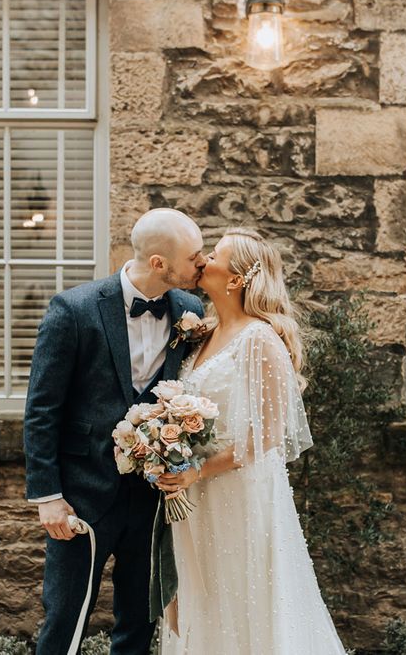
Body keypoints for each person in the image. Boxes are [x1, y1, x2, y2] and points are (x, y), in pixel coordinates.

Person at [156, 227, 348, 655]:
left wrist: (198, 470)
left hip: (238, 493)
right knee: (198, 596)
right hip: (193, 495)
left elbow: (268, 435)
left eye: (216, 254)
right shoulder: (201, 334)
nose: (204, 258)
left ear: (237, 278)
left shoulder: (260, 339)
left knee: (242, 595)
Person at [23, 209, 205, 655]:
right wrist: (47, 496)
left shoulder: (190, 310)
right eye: (194, 256)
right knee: (66, 616)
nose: (203, 263)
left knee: (140, 620)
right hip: (82, 495)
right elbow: (42, 409)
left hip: (151, 497)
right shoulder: (74, 309)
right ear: (160, 263)